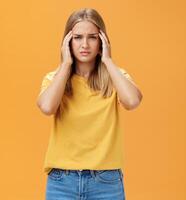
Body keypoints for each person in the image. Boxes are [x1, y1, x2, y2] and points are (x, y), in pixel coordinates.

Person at [36, 8, 143, 199]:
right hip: (62, 181)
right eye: (77, 37)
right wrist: (66, 64)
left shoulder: (115, 78)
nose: (84, 44)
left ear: (102, 41)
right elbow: (47, 107)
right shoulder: (54, 79)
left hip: (106, 182)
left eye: (92, 37)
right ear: (67, 42)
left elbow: (133, 101)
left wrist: (108, 61)